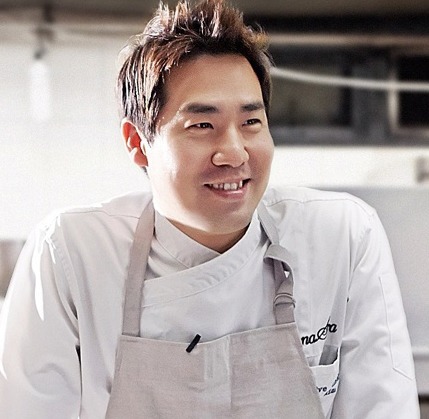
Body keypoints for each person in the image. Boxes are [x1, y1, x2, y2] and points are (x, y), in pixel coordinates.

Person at [0, 0, 420, 417]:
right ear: (137, 142)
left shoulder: (342, 236)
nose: (234, 153)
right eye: (202, 125)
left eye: (251, 122)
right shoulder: (72, 254)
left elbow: (382, 408)